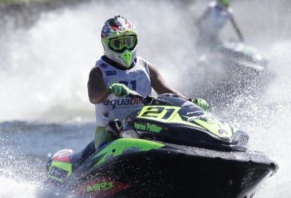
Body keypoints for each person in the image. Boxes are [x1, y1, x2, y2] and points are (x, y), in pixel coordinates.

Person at [77, 15, 208, 163]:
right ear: (106, 44)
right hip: (110, 130)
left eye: (128, 41)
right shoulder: (99, 70)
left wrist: (191, 102)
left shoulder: (145, 67)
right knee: (113, 146)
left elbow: (167, 92)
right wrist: (110, 89)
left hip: (143, 124)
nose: (125, 48)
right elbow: (93, 97)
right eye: (118, 44)